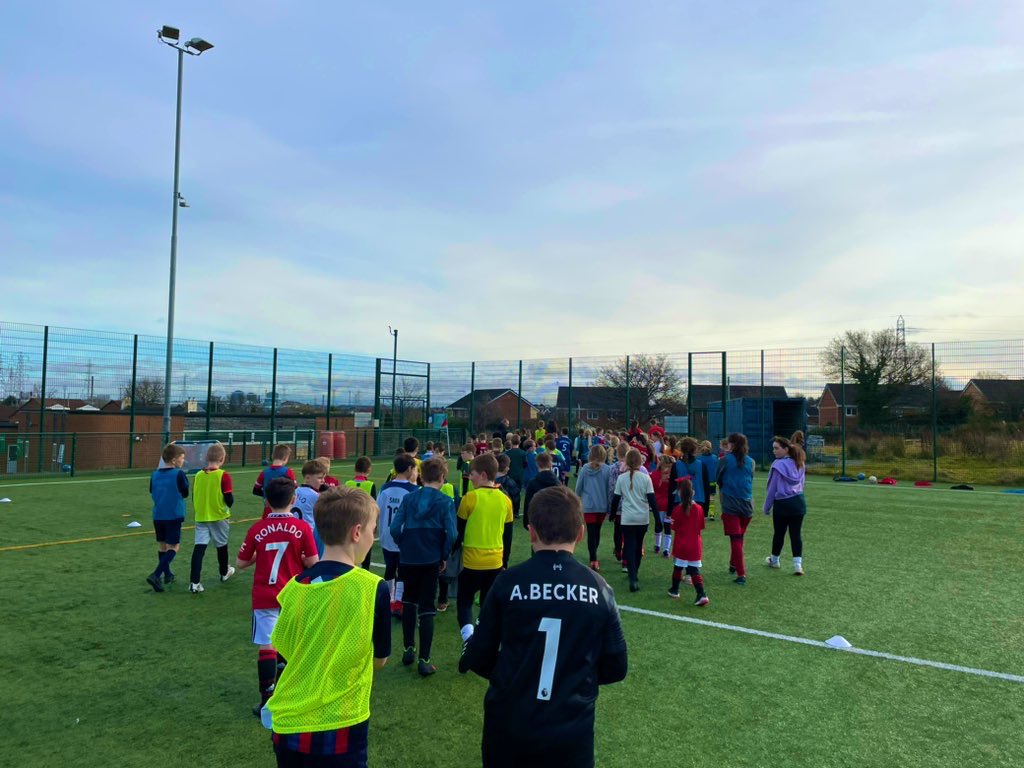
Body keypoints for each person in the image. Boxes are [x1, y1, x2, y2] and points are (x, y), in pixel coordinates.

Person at [459, 485, 628, 768]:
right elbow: (616, 667)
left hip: (509, 727)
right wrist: (572, 676)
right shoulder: (600, 588)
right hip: (571, 732)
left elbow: (478, 657)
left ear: (531, 531)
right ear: (581, 533)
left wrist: (516, 674)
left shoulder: (507, 583)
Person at [266, 486, 390, 768]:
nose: (374, 537)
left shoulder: (293, 588)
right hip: (342, 720)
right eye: (373, 529)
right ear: (357, 533)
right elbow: (379, 659)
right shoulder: (373, 588)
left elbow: (283, 646)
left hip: (288, 722)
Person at [236, 477, 319, 715]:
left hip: (265, 595)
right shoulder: (302, 527)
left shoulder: (257, 528)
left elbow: (240, 563)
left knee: (267, 645)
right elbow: (313, 562)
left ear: (266, 501)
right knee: (293, 643)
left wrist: (258, 557)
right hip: (293, 594)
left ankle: (266, 700)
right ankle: (295, 693)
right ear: (293, 500)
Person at [389, 457, 458, 676]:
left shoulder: (409, 499)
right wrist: (444, 554)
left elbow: (394, 528)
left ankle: (408, 649)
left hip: (408, 557)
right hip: (430, 558)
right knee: (427, 607)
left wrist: (404, 543)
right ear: (442, 477)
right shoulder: (445, 501)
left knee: (409, 601)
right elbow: (453, 534)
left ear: (420, 475)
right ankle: (424, 660)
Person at [455, 453, 514, 648]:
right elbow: (508, 536)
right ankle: (483, 640)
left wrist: (449, 553)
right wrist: (504, 562)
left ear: (481, 474)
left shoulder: (469, 498)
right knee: (487, 605)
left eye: (471, 474)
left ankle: (468, 639)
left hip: (472, 562)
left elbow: (459, 532)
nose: (469, 477)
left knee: (464, 602)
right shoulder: (506, 500)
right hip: (495, 562)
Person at [188, 442, 235, 593]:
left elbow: (194, 496)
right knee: (221, 546)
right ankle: (223, 572)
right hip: (219, 516)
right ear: (222, 459)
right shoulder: (223, 475)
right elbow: (229, 498)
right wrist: (228, 504)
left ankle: (194, 582)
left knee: (199, 547)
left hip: (201, 516)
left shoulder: (198, 475)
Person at [610, 449, 658, 592]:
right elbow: (652, 500)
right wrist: (658, 520)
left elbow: (616, 499)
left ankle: (632, 576)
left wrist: (612, 514)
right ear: (639, 461)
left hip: (627, 518)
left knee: (629, 546)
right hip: (642, 518)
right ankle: (634, 573)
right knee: (638, 547)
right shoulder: (645, 478)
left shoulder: (621, 478)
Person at [377, 454, 419, 615]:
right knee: (403, 571)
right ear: (409, 469)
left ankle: (388, 600)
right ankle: (399, 602)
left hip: (386, 535)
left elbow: (378, 509)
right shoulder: (414, 490)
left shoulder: (385, 488)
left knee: (390, 568)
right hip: (404, 537)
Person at [147, 443, 189, 592]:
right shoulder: (179, 474)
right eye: (182, 458)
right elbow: (185, 492)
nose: (183, 461)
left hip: (158, 515)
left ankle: (168, 574)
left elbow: (152, 491)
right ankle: (156, 574)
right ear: (173, 460)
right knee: (174, 547)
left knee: (162, 546)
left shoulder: (155, 474)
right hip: (173, 514)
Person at [763, 435, 807, 576]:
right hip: (798, 502)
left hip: (782, 504)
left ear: (786, 449)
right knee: (796, 534)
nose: (774, 451)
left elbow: (772, 488)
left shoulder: (778, 465)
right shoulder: (800, 462)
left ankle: (775, 560)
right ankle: (797, 565)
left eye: (777, 448)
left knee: (779, 534)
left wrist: (767, 507)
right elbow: (802, 484)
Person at [717, 432, 756, 585]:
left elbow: (718, 478)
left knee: (736, 539)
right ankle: (734, 564)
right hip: (747, 505)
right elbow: (750, 479)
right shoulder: (751, 461)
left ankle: (741, 574)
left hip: (730, 504)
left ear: (732, 445)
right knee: (739, 537)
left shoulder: (724, 460)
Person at [667, 478, 709, 606]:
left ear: (679, 493)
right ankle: (701, 593)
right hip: (695, 544)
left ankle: (675, 589)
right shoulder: (699, 509)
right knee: (693, 569)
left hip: (681, 544)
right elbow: (701, 526)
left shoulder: (677, 510)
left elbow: (673, 527)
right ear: (693, 493)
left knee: (678, 567)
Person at [574, 444, 612, 570]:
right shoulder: (608, 469)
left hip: (589, 505)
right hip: (602, 505)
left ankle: (593, 558)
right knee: (596, 531)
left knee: (591, 532)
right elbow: (609, 489)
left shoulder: (585, 468)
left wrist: (579, 496)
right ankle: (594, 557)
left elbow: (578, 487)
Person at [346, 456, 377, 570]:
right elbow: (374, 506)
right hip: (365, 521)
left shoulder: (348, 483)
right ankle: (365, 570)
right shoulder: (370, 485)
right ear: (369, 470)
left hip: (349, 520)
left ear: (355, 468)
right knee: (366, 548)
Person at [293, 460, 326, 555]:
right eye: (320, 478)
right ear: (307, 478)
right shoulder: (316, 496)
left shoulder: (295, 491)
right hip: (308, 538)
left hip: (293, 534)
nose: (323, 481)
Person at [253, 445, 297, 516]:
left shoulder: (264, 472)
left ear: (272, 456)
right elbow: (295, 488)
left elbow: (255, 490)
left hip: (268, 508)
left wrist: (268, 496)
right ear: (285, 458)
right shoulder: (288, 472)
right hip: (284, 509)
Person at [523, 451, 561, 530]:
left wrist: (526, 522)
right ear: (550, 464)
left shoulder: (533, 483)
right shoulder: (557, 483)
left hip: (538, 519)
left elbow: (528, 504)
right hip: (554, 519)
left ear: (537, 464)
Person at [670, 437, 708, 515]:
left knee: (681, 527)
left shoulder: (676, 465)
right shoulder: (701, 465)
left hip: (679, 500)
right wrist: (706, 509)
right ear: (695, 449)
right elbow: (706, 488)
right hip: (698, 500)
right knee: (694, 527)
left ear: (681, 449)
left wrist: (669, 509)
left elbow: (671, 488)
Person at [649, 454, 675, 557]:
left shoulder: (654, 475)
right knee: (667, 526)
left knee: (658, 524)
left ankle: (657, 545)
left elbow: (652, 489)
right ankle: (666, 549)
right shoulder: (672, 476)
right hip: (669, 505)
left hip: (657, 504)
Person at [504, 435, 528, 516]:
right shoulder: (523, 453)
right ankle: (516, 511)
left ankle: (509, 510)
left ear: (511, 441)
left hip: (509, 476)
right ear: (520, 442)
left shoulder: (507, 453)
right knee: (517, 493)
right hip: (519, 476)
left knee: (508, 493)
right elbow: (525, 464)